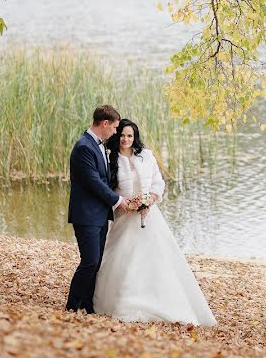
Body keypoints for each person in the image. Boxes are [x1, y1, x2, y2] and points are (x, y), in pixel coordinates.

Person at [93, 119, 217, 326]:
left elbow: (158, 183)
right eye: (122, 135)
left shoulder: (146, 156)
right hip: (124, 215)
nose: (125, 139)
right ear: (117, 136)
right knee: (123, 257)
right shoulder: (110, 158)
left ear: (135, 137)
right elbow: (108, 190)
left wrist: (150, 199)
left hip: (149, 215)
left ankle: (159, 299)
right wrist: (125, 204)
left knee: (155, 256)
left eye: (129, 136)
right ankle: (122, 301)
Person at [66, 104, 129, 314]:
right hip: (86, 215)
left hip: (99, 215)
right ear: (104, 124)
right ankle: (72, 306)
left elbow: (105, 179)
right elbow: (94, 182)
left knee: (97, 261)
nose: (114, 132)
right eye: (114, 128)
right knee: (90, 261)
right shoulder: (84, 147)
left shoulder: (100, 145)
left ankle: (87, 304)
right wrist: (118, 200)